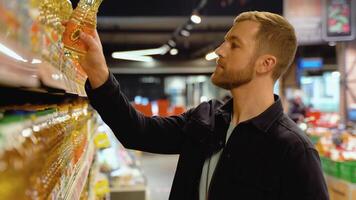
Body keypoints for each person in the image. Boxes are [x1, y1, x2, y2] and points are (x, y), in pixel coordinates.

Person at [76, 11, 329, 200]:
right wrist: (99, 71)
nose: (220, 50)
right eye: (224, 41)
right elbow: (136, 131)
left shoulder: (294, 151)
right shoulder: (206, 120)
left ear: (266, 64)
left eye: (234, 44)